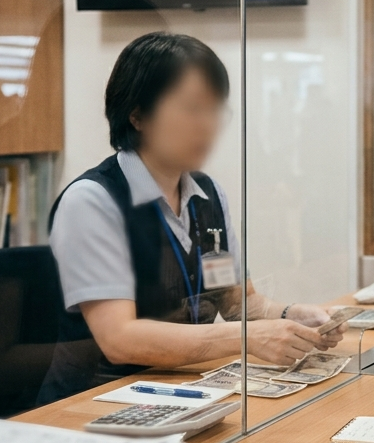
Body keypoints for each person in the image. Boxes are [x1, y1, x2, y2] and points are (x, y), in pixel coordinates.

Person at [37, 32, 345, 404]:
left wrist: (294, 317)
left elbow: (235, 303)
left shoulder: (207, 196)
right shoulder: (93, 201)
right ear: (137, 115)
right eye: (192, 109)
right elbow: (120, 340)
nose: (208, 125)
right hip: (92, 404)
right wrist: (247, 338)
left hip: (180, 393)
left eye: (215, 110)